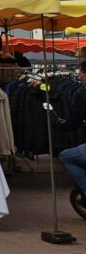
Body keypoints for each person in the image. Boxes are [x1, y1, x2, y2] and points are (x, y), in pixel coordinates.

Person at [56, 61, 86, 194]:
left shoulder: (82, 93)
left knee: (65, 156)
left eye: (81, 73)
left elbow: (75, 121)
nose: (79, 76)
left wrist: (60, 125)